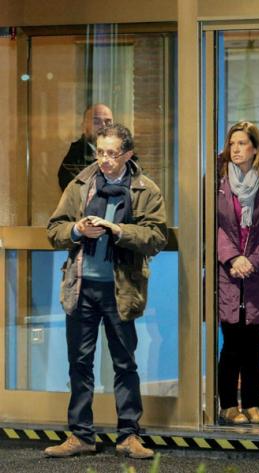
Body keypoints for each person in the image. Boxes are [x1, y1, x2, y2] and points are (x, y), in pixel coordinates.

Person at [44, 123, 167, 459]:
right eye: (100, 152)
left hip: (121, 289)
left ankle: (128, 435)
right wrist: (76, 229)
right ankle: (81, 435)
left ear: (128, 154)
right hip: (81, 286)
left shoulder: (145, 189)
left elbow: (157, 237)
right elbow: (54, 229)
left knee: (125, 363)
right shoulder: (80, 184)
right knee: (79, 363)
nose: (105, 159)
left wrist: (118, 230)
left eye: (112, 153)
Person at [216, 122, 259, 425]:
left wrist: (251, 260)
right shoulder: (218, 179)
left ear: (256, 148)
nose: (235, 149)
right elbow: (213, 225)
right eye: (232, 144)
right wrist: (233, 258)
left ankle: (253, 404)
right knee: (232, 342)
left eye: (242, 143)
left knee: (255, 342)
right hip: (228, 271)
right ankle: (229, 405)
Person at [58, 104, 114, 191]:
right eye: (96, 122)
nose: (103, 126)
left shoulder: (123, 154)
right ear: (84, 126)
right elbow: (76, 193)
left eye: (108, 122)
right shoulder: (75, 157)